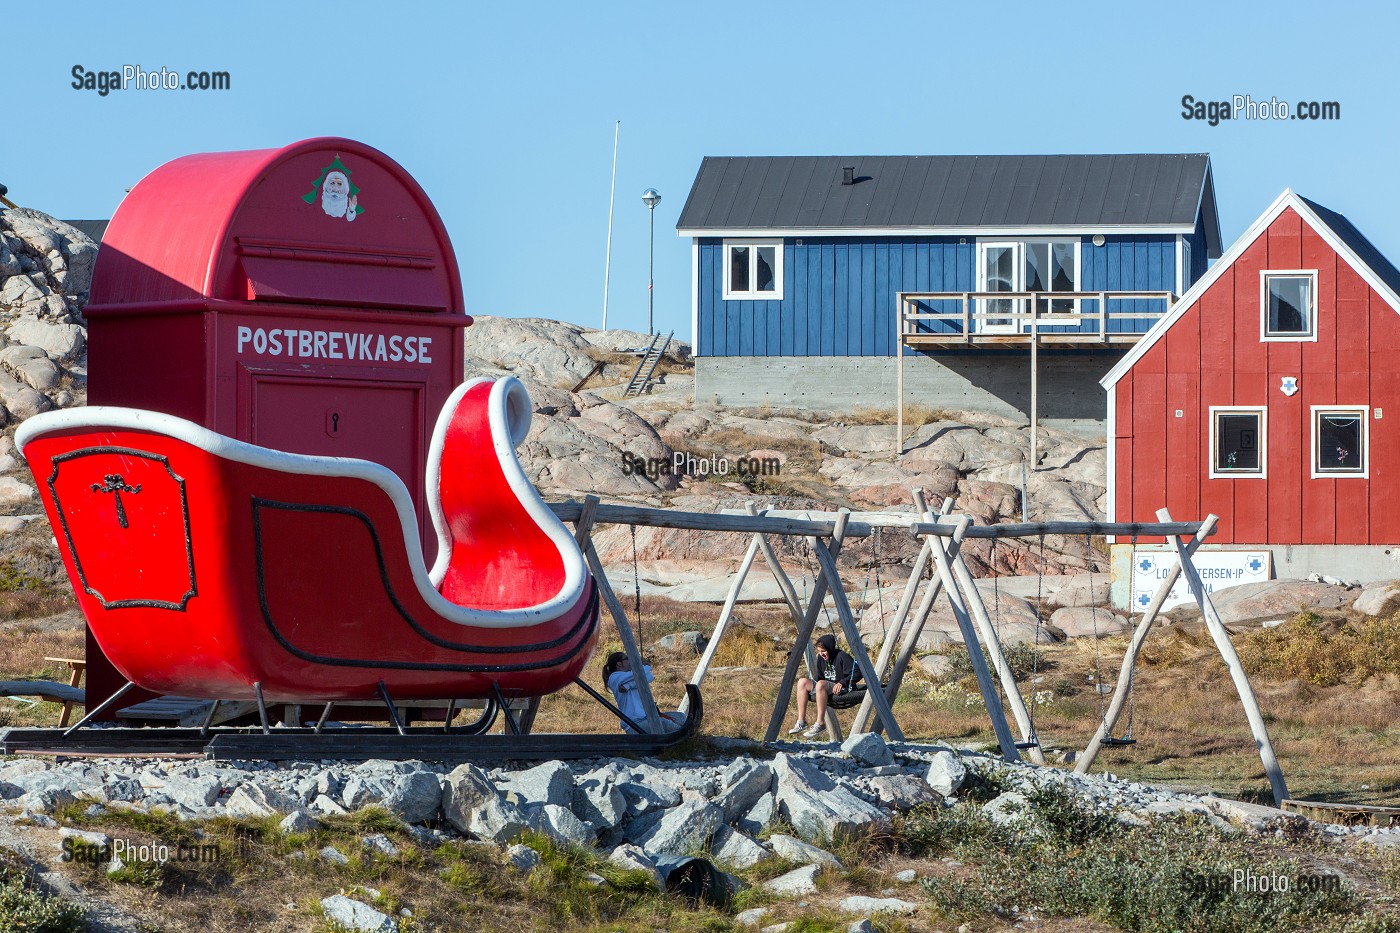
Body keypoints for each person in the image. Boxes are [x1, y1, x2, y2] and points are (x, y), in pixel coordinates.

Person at [788, 634, 866, 738]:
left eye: (823, 651)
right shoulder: (821, 659)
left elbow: (857, 672)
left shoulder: (841, 656)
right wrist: (812, 686)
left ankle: (820, 724)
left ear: (830, 649)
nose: (821, 654)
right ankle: (801, 722)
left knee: (821, 684)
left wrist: (842, 682)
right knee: (802, 682)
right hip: (825, 687)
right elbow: (820, 677)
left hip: (843, 688)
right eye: (819, 651)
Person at [602, 651, 684, 734]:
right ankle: (687, 737)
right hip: (634, 725)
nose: (630, 661)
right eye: (627, 658)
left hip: (646, 719)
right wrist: (647, 666)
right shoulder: (614, 677)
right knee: (665, 724)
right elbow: (639, 674)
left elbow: (649, 677)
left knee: (681, 717)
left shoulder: (631, 676)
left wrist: (628, 686)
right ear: (619, 664)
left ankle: (685, 736)